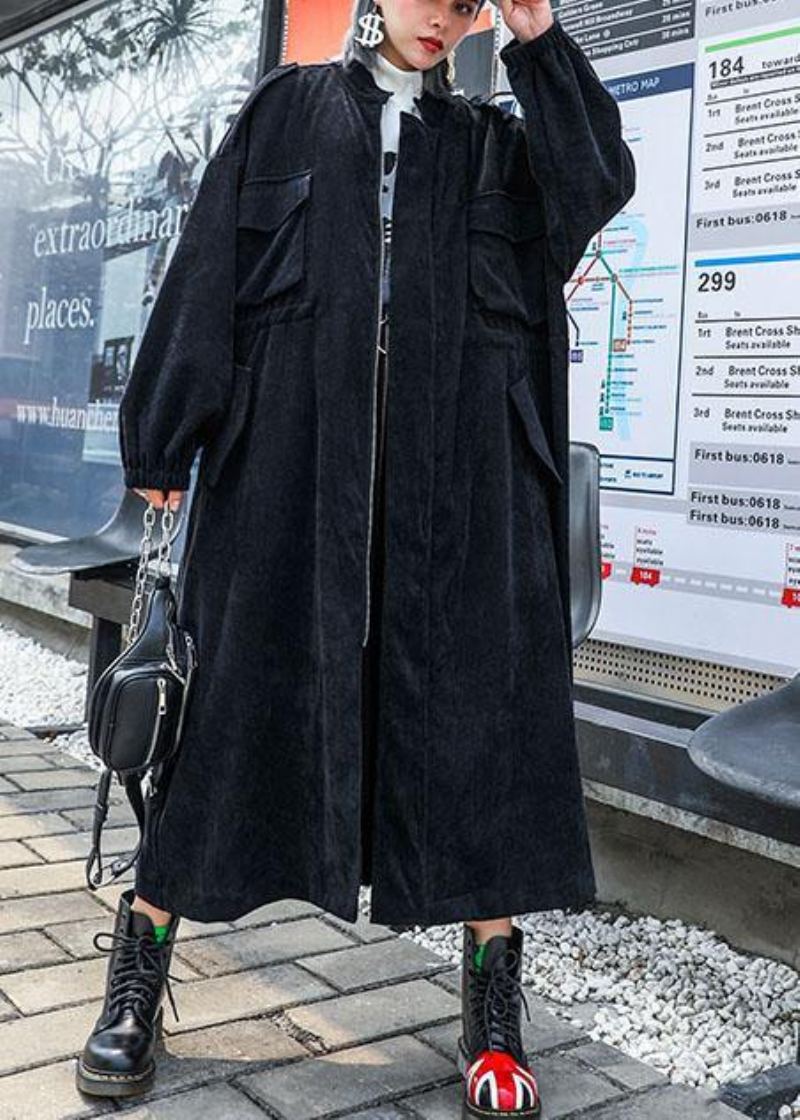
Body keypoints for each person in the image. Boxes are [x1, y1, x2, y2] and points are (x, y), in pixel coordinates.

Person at [76, 0, 636, 1114]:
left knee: (477, 729)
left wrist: (535, 37)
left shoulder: (496, 143)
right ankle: (136, 977)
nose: (447, 15)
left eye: (470, 1)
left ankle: (489, 1007)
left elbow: (598, 184)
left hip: (463, 503)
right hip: (287, 483)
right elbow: (203, 274)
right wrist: (165, 432)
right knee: (226, 719)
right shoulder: (285, 116)